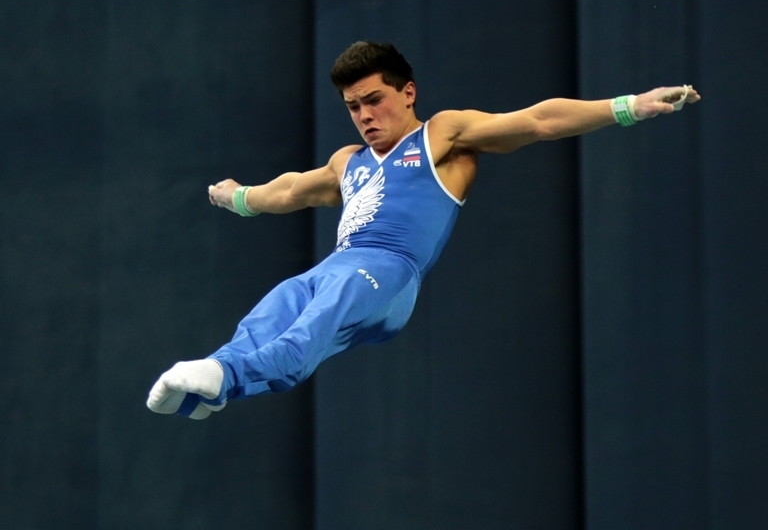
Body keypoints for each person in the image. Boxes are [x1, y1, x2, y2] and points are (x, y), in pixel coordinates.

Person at [147, 41, 700, 419]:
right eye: (353, 106)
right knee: (280, 302)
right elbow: (289, 191)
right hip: (339, 266)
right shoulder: (348, 162)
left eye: (374, 100)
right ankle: (214, 386)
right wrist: (238, 197)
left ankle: (227, 378)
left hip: (388, 274)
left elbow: (537, 121)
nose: (365, 115)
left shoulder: (442, 135)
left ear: (407, 93)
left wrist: (629, 106)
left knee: (312, 324)